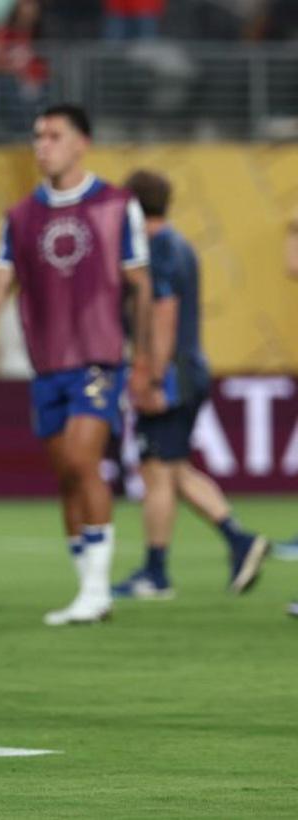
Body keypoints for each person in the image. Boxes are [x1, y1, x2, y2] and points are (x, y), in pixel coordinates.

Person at [0, 103, 155, 626]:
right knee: (66, 474)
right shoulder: (20, 216)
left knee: (84, 461)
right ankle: (87, 584)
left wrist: (146, 359)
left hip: (98, 358)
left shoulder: (115, 205)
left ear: (82, 142)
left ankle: (97, 590)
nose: (43, 145)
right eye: (38, 136)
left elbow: (140, 285)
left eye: (54, 135)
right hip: (48, 365)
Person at [111, 170, 270, 599]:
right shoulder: (178, 243)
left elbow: (163, 313)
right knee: (175, 468)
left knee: (157, 471)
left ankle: (156, 572)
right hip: (188, 368)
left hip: (171, 374)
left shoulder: (157, 247)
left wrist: (149, 372)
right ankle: (240, 540)